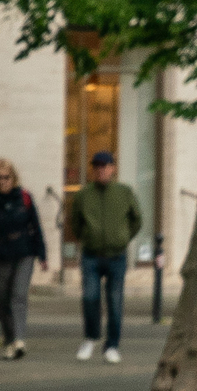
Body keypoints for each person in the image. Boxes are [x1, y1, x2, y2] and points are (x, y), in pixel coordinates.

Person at [65, 150, 140, 363]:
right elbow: (75, 222)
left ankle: (112, 345)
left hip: (117, 255)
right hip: (91, 255)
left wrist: (124, 237)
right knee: (90, 297)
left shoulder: (124, 192)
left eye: (105, 166)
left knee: (115, 301)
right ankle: (90, 337)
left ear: (113, 168)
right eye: (97, 166)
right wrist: (86, 238)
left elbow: (137, 220)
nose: (101, 170)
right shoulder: (83, 195)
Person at [0, 157, 46, 359]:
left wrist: (42, 255)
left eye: (6, 177)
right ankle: (9, 341)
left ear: (13, 178)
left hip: (25, 252)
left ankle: (20, 339)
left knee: (18, 295)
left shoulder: (24, 198)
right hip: (1, 255)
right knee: (4, 299)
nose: (3, 181)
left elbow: (36, 226)